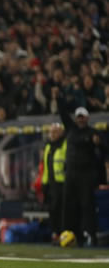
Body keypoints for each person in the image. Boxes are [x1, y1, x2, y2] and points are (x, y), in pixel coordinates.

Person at [55, 87, 105, 246]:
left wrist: (99, 144)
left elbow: (104, 149)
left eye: (83, 117)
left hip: (86, 175)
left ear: (87, 118)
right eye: (79, 117)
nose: (81, 119)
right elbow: (62, 112)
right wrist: (59, 97)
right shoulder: (71, 129)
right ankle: (67, 235)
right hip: (71, 174)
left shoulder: (93, 133)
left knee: (87, 206)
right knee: (68, 206)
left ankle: (90, 236)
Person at [41, 123, 66, 244]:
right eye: (51, 132)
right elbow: (46, 166)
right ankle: (56, 234)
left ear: (61, 132)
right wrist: (44, 183)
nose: (52, 134)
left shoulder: (65, 144)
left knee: (62, 210)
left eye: (55, 132)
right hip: (51, 183)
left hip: (62, 183)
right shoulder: (48, 147)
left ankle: (64, 234)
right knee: (53, 210)